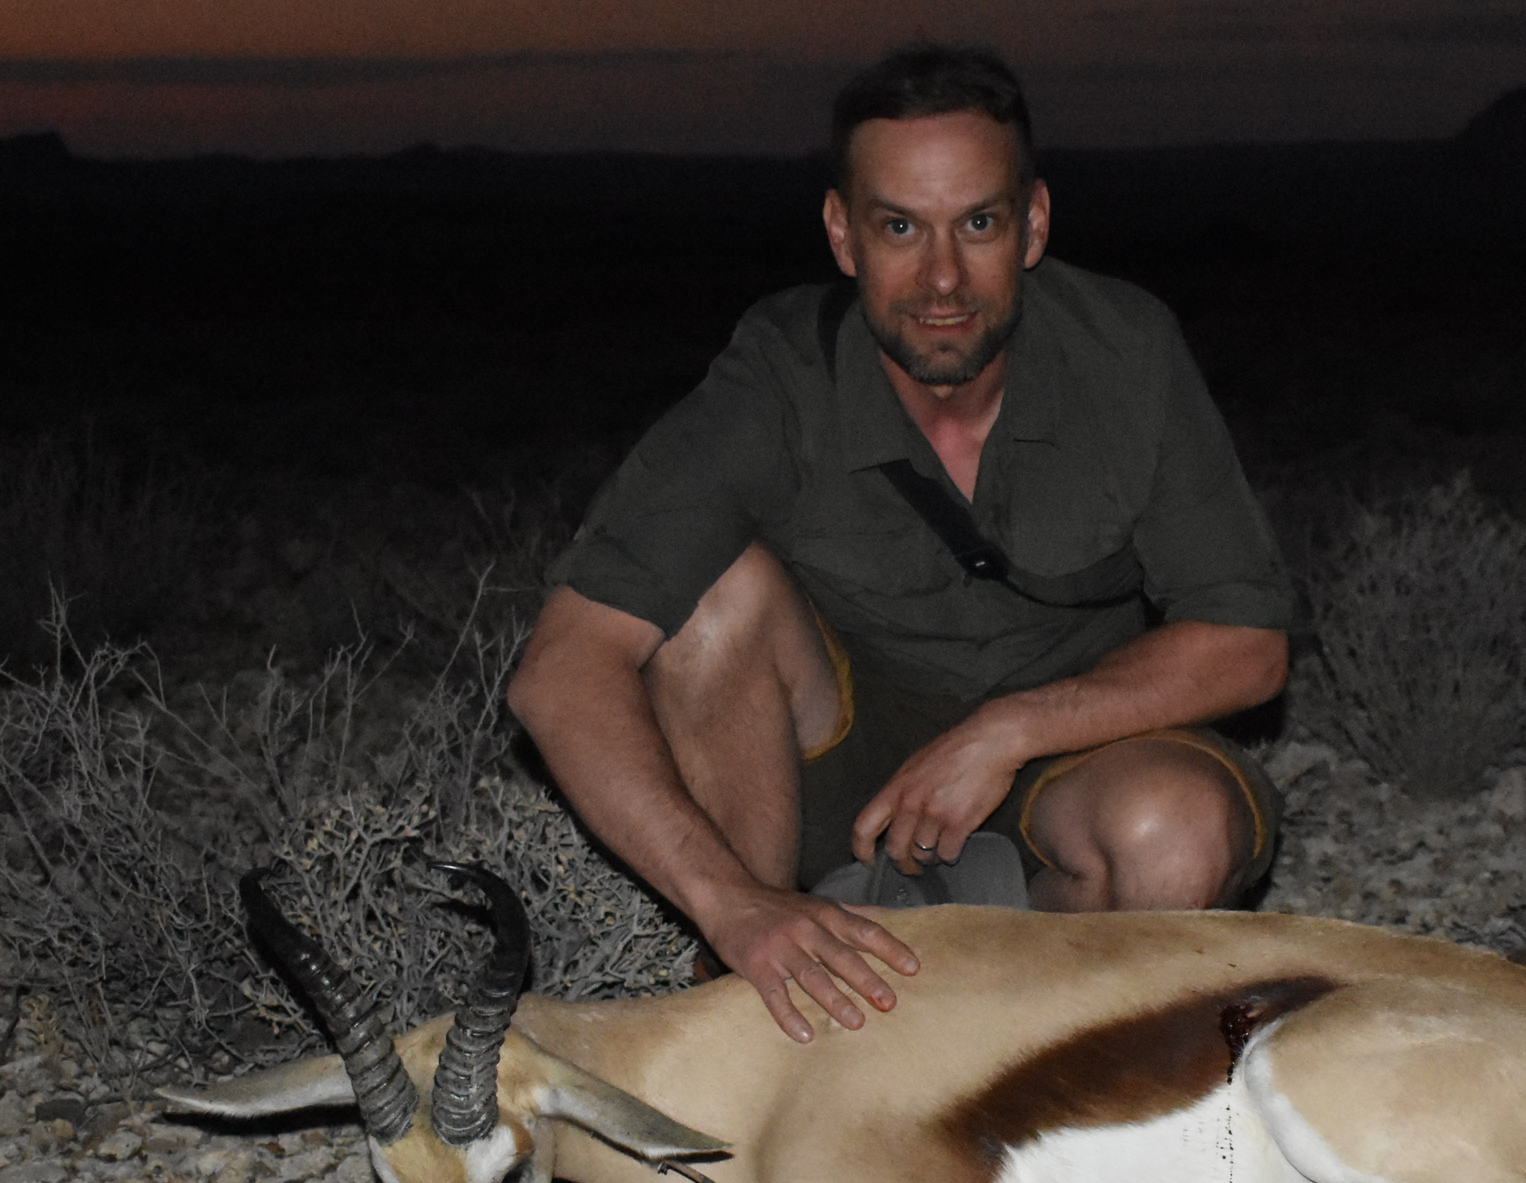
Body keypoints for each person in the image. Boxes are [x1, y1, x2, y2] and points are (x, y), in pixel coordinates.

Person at [508, 43, 1299, 1044]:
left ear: (1034, 224)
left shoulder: (1125, 352)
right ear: (843, 235)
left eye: (978, 223)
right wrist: (727, 900)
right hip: (841, 769)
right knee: (708, 601)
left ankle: (1024, 1057)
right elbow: (561, 671)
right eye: (898, 227)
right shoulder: (777, 374)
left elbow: (1248, 639)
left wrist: (1009, 727)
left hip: (1073, 756)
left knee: (1174, 833)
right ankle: (746, 995)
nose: (941, 279)